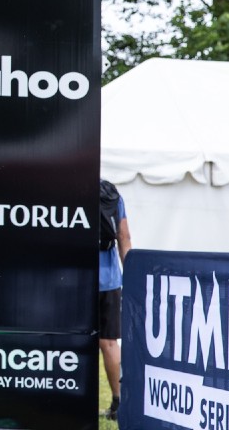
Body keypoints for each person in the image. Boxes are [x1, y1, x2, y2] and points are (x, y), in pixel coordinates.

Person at [99, 179, 131, 423]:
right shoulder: (111, 193)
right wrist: (130, 274)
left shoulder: (68, 184)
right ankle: (119, 401)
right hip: (109, 279)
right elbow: (124, 236)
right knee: (110, 342)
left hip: (72, 279)